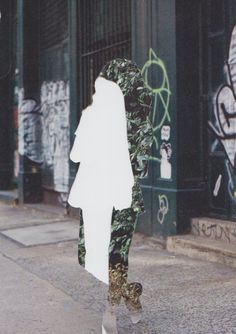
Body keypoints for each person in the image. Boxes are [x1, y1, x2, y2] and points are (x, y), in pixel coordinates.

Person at [68, 59, 153, 333]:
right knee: (88, 256)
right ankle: (130, 293)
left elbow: (139, 167)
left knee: (115, 255)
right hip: (94, 192)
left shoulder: (139, 123)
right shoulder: (94, 115)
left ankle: (110, 313)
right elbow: (76, 154)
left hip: (120, 195)